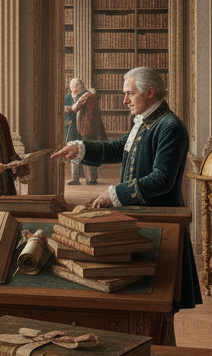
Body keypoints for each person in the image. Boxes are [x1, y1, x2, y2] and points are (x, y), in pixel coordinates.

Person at [51, 66, 202, 308]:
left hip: (161, 223)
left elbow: (162, 179)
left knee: (160, 297)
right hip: (140, 219)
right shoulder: (145, 122)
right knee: (139, 296)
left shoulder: (170, 127)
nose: (125, 100)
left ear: (150, 93)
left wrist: (114, 194)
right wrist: (81, 149)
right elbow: (117, 148)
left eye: (130, 94)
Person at [65, 77, 103, 185]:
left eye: (77, 85)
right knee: (74, 149)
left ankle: (91, 179)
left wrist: (67, 108)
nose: (74, 88)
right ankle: (75, 178)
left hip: (86, 127)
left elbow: (75, 108)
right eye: (72, 86)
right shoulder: (68, 96)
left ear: (82, 86)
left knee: (87, 150)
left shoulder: (87, 95)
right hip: (73, 128)